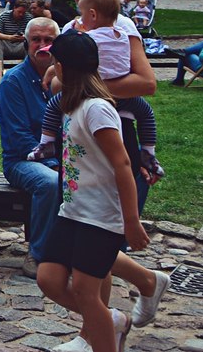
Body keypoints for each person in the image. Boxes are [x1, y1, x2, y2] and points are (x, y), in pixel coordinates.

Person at [58, 0, 169, 332]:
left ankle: (95, 333)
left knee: (98, 229)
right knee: (87, 223)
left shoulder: (121, 28)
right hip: (76, 131)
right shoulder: (73, 26)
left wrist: (87, 84)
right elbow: (57, 81)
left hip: (112, 126)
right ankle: (145, 283)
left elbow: (146, 82)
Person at [34, 32, 149, 352]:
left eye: (54, 63)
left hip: (101, 216)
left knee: (87, 292)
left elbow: (123, 164)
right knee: (49, 279)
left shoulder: (97, 108)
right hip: (72, 211)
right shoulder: (72, 105)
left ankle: (103, 332)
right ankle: (108, 320)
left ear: (65, 68)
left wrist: (131, 220)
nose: (51, 69)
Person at [31, 0, 162, 177]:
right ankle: (149, 153)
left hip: (88, 92)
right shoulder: (123, 36)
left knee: (53, 105)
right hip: (122, 97)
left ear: (92, 15)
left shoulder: (87, 37)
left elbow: (73, 58)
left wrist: (76, 32)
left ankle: (46, 143)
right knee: (145, 112)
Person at [0, 15, 64, 265]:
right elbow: (18, 138)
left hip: (63, 157)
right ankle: (39, 254)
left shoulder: (66, 80)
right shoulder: (13, 82)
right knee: (50, 183)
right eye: (36, 40)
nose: (42, 44)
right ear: (26, 43)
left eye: (49, 40)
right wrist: (55, 164)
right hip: (21, 160)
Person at [0, 0, 30, 67]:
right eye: (19, 12)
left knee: (30, 43)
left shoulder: (29, 18)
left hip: (21, 46)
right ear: (14, 8)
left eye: (23, 13)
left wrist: (24, 38)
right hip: (7, 45)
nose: (21, 15)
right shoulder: (3, 16)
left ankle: (27, 67)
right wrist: (9, 37)